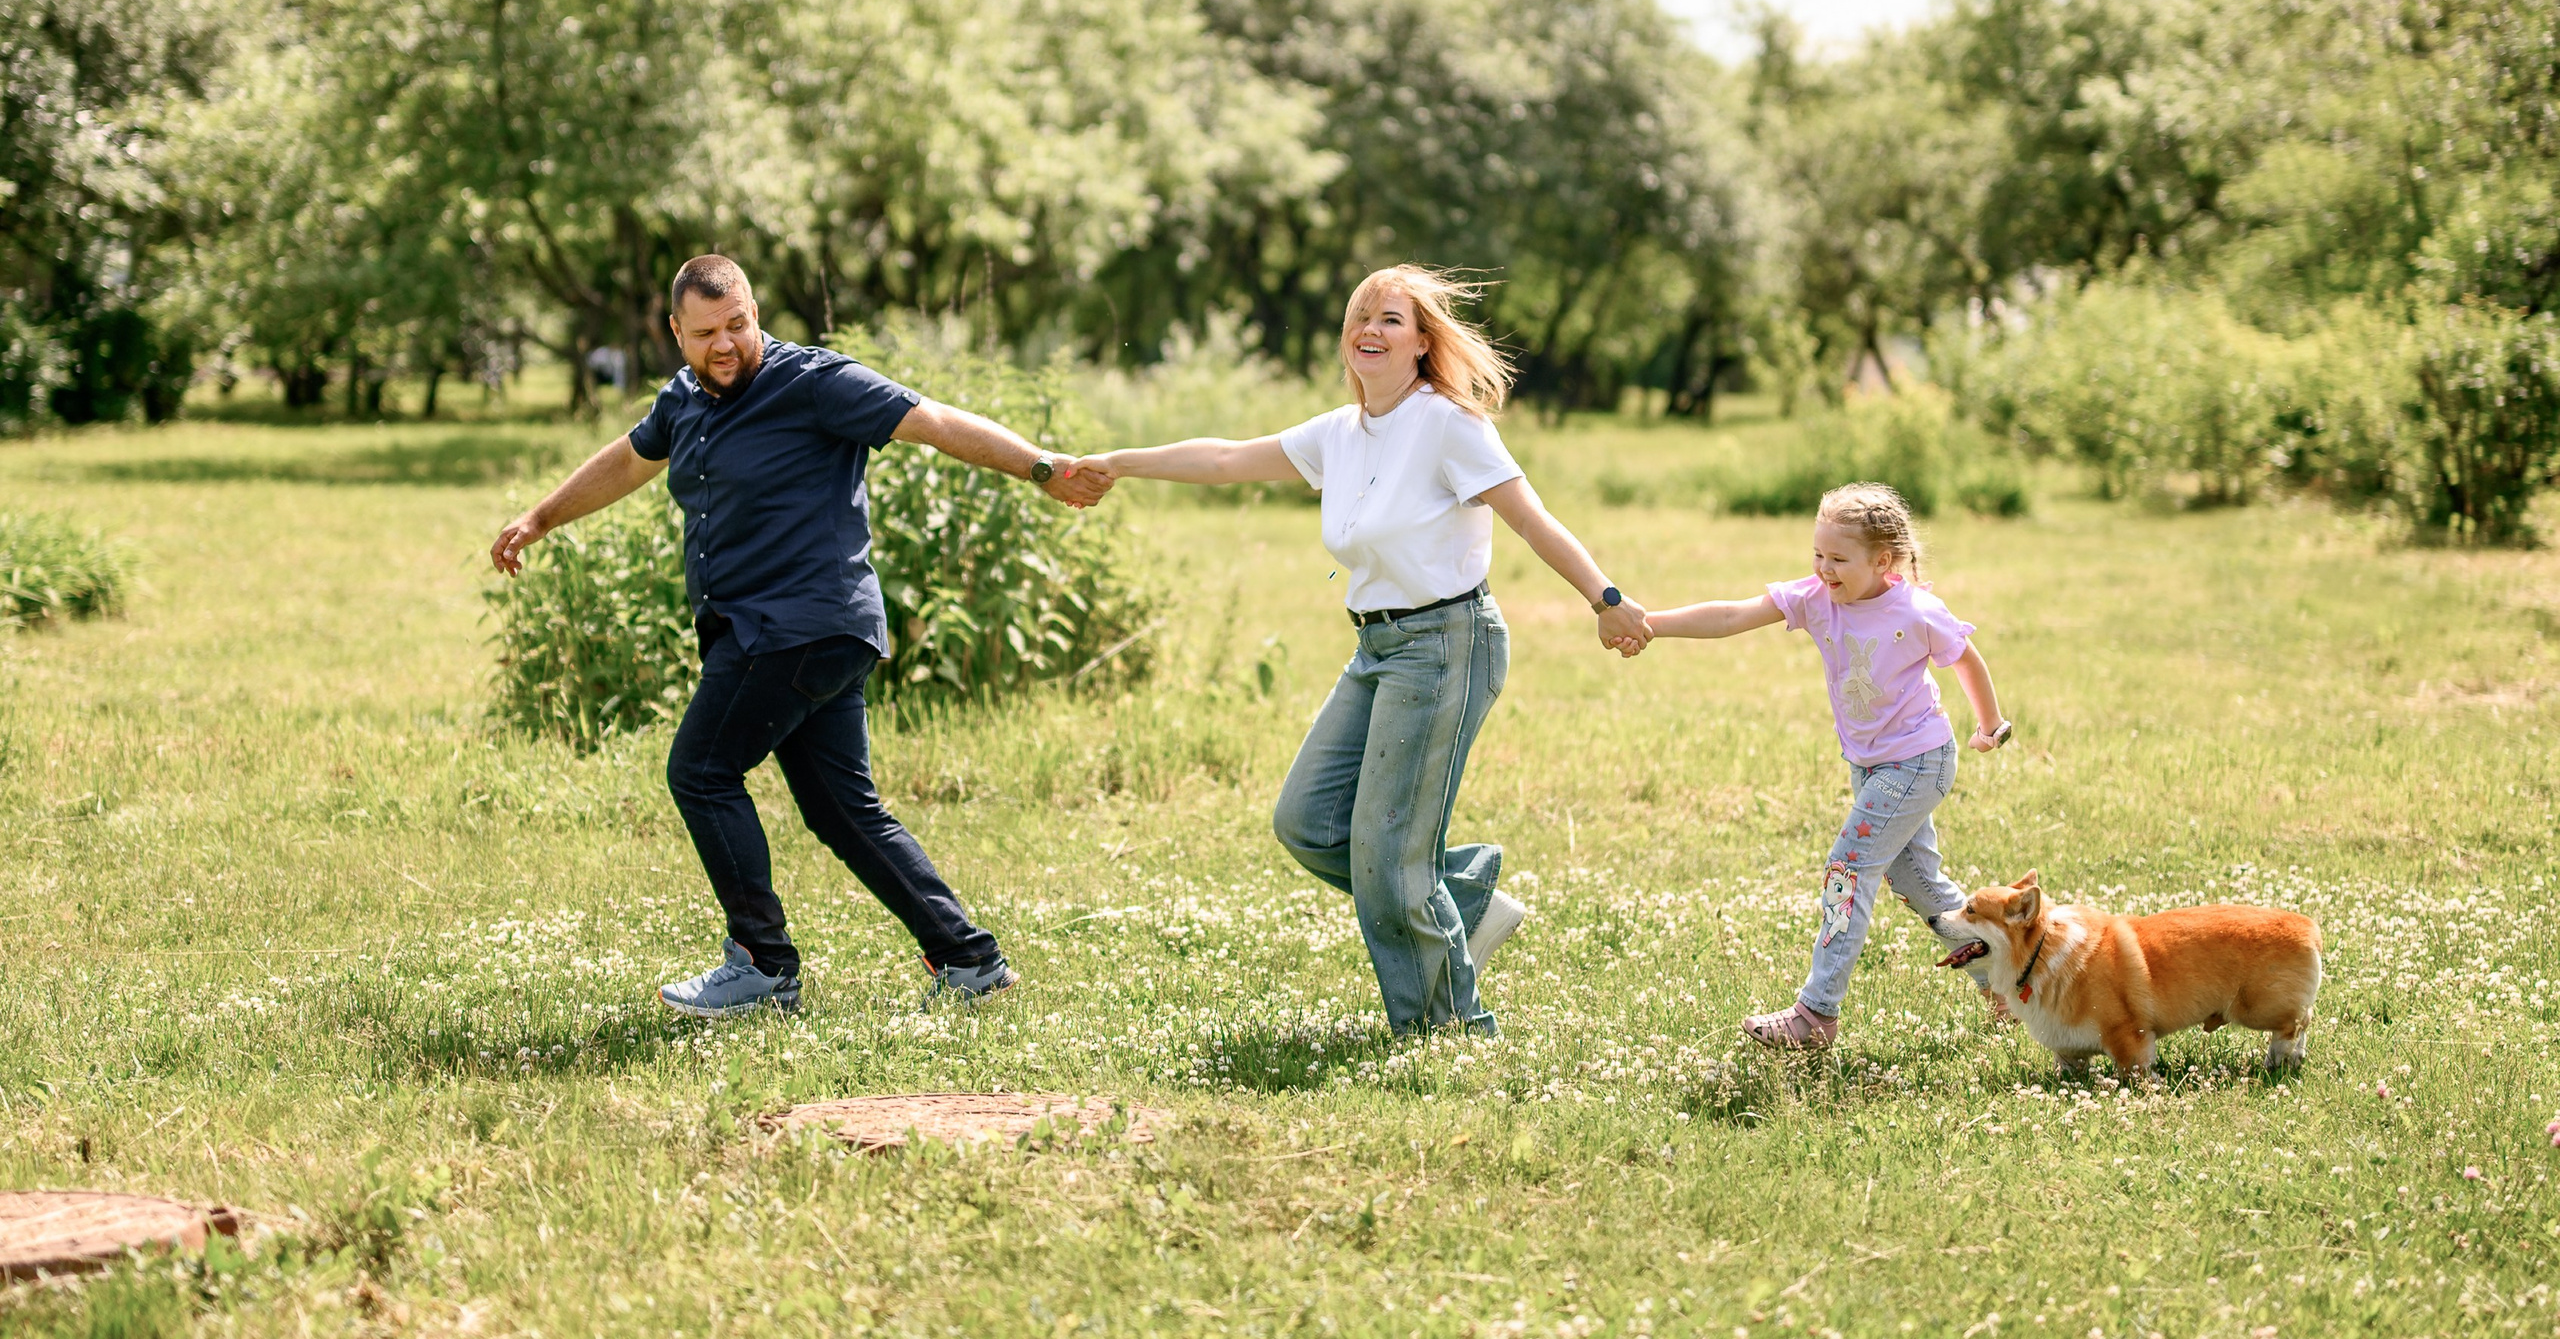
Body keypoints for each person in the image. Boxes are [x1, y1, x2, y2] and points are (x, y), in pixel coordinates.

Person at [489, 255, 1108, 1016]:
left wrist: (1042, 467)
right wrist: (542, 516)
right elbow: (629, 459)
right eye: (707, 332)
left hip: (802, 624)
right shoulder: (682, 399)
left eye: (739, 324)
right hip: (775, 630)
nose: (726, 344)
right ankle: (969, 958)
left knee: (702, 770)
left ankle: (763, 964)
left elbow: (936, 421)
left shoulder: (814, 381)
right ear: (676, 333)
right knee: (841, 807)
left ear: (756, 311)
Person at [1075, 266, 1651, 1036]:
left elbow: (1530, 516)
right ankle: (1461, 899)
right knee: (1308, 819)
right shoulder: (1340, 434)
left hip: (1448, 641)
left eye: (1390, 319)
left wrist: (1606, 600)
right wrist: (1118, 461)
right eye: (1360, 318)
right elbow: (1222, 459)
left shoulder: (1447, 422)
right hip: (1378, 647)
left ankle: (1445, 1032)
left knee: (1387, 852)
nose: (1370, 331)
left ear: (1421, 343)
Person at [1642, 481, 2011, 1050]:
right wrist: (1650, 623)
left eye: (1838, 558)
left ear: (1882, 561)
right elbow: (1730, 615)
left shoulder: (1916, 611)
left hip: (1918, 760)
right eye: (1818, 553)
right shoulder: (1816, 597)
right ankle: (2009, 978)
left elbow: (1966, 659)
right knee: (1916, 881)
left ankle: (1816, 1016)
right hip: (1870, 766)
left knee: (1848, 869)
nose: (1824, 567)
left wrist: (1990, 726)